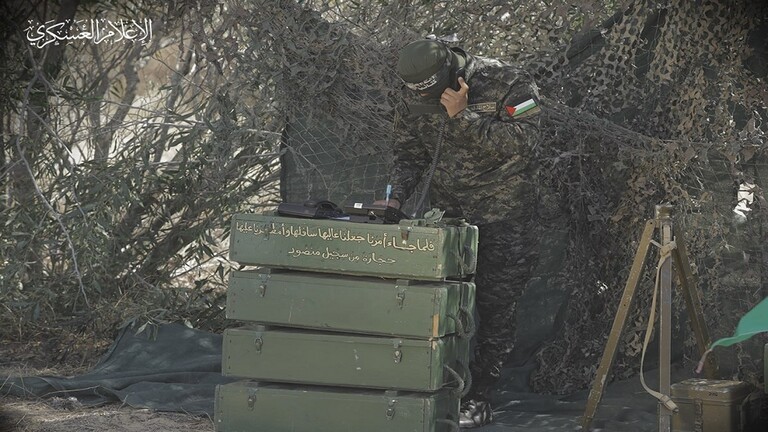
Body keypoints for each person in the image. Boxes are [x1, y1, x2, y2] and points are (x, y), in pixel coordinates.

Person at [378, 38, 543, 428]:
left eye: (433, 90)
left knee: (496, 309)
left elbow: (527, 142)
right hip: (448, 220)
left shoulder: (509, 82)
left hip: (505, 217)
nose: (426, 98)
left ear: (451, 71)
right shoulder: (412, 94)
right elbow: (409, 153)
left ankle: (479, 396)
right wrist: (394, 198)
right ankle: (433, 386)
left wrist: (463, 117)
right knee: (442, 306)